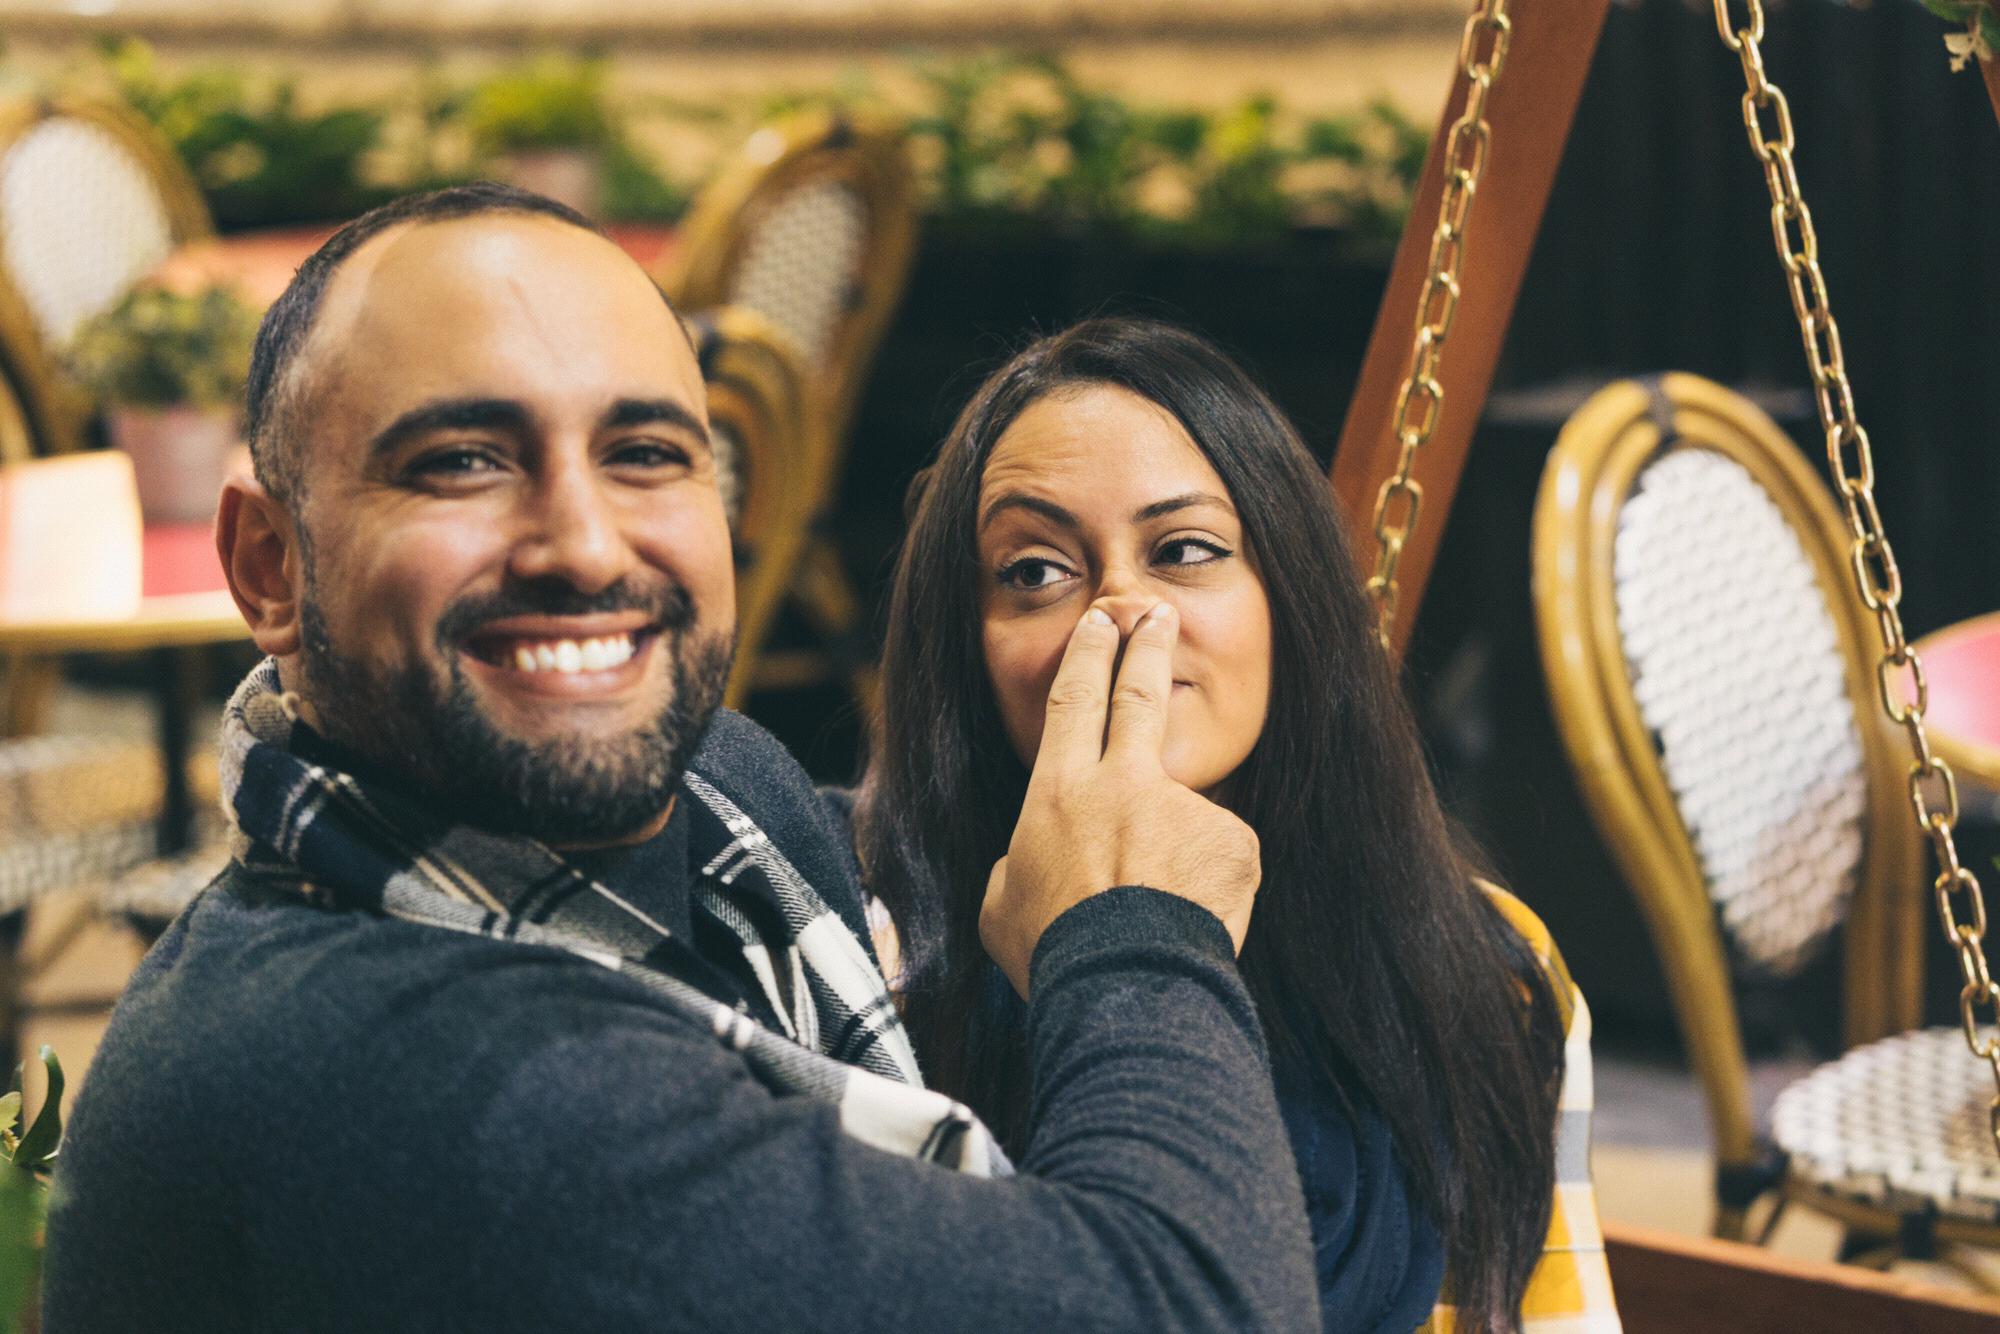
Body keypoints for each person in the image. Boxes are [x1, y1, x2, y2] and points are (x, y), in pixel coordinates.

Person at [41, 187, 1322, 1331]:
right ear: (269, 565)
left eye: (645, 454)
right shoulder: (425, 1083)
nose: (586, 544)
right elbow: (1200, 1305)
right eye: (462, 462)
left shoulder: (717, 793)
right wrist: (1132, 924)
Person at [855, 318, 1607, 1333]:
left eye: (1184, 551)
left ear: (1287, 596)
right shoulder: (878, 966)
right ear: (963, 646)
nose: (1122, 609)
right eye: (1034, 570)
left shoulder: (1485, 965)